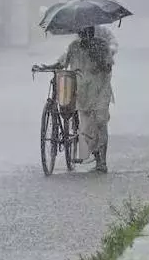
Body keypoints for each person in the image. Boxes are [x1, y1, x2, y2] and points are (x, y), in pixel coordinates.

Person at [33, 25, 114, 173]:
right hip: (82, 92)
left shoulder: (102, 45)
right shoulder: (74, 46)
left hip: (100, 90)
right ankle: (96, 157)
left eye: (88, 31)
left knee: (100, 122)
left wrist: (100, 60)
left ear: (92, 31)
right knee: (86, 128)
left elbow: (108, 66)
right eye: (82, 32)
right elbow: (62, 62)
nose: (85, 34)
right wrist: (47, 67)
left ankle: (102, 162)